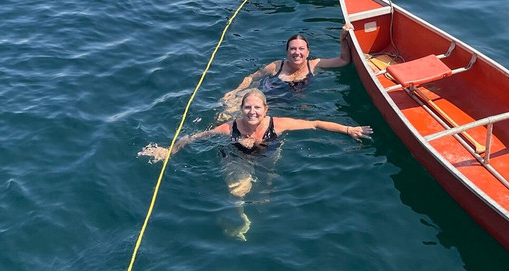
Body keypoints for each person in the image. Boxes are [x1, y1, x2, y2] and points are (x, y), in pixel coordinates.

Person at [138, 89, 371, 240]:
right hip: (237, 156)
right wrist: (168, 151)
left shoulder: (278, 124)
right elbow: (195, 137)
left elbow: (315, 124)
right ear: (241, 110)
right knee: (239, 189)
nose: (252, 111)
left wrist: (349, 129)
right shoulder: (229, 128)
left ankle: (257, 199)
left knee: (266, 192)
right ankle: (238, 218)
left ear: (265, 109)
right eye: (247, 107)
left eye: (257, 107)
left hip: (267, 155)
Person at [221, 26, 352, 110]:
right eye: (293, 49)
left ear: (308, 52)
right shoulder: (277, 65)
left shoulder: (314, 65)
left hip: (278, 107)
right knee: (227, 107)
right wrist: (236, 90)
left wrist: (342, 39)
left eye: (301, 49)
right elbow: (251, 78)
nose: (297, 52)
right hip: (260, 96)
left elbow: (343, 60)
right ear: (287, 52)